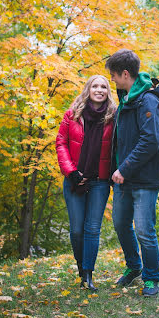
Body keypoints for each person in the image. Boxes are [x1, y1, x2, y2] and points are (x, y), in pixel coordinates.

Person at [105, 49, 159, 297]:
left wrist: (124, 167)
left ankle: (152, 278)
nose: (112, 80)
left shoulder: (148, 100)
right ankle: (134, 267)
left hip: (143, 178)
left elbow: (151, 140)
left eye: (114, 75)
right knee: (121, 225)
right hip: (122, 178)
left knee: (144, 229)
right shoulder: (125, 99)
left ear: (125, 73)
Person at [56, 75, 116, 291]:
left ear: (108, 91)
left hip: (100, 181)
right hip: (75, 179)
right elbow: (61, 142)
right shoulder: (72, 115)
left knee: (92, 228)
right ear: (88, 89)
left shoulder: (113, 117)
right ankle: (81, 267)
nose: (99, 90)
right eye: (95, 86)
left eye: (104, 87)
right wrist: (70, 172)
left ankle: (88, 275)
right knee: (77, 230)